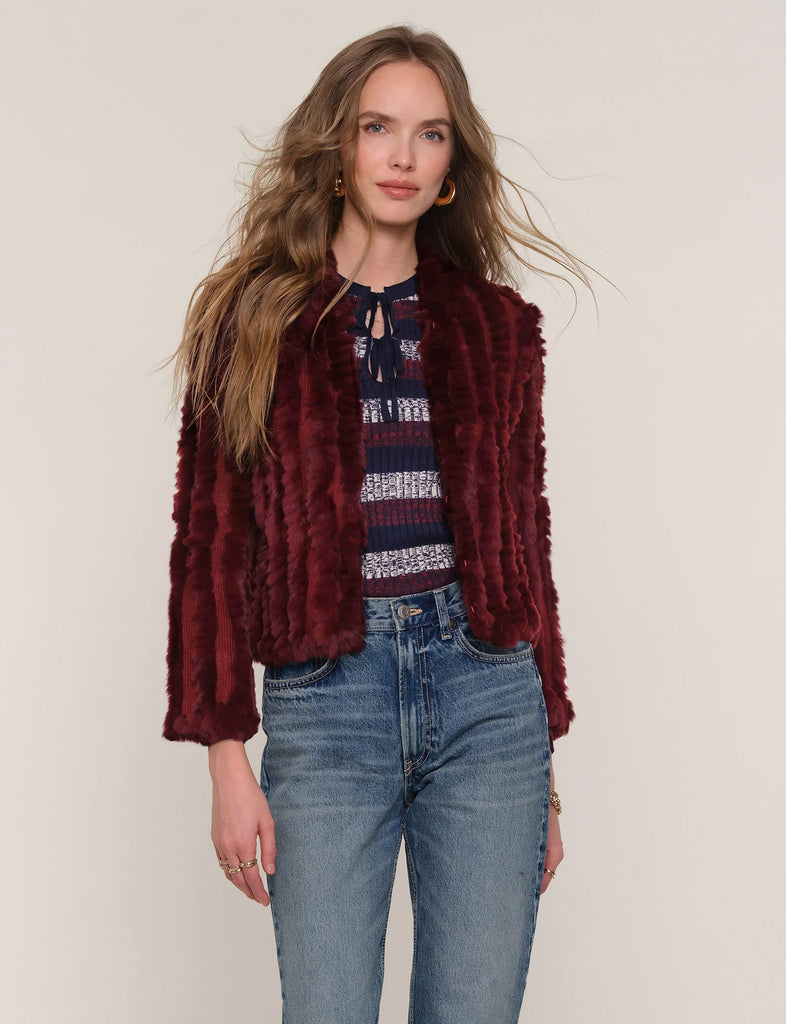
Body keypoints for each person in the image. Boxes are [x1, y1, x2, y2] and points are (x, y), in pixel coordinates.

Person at [163, 24, 589, 1024]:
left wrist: (544, 773)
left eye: (430, 133)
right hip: (327, 702)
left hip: (489, 701)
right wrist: (226, 754)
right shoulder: (253, 322)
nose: (403, 155)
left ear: (451, 166)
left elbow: (525, 537)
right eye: (377, 128)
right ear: (337, 147)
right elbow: (208, 545)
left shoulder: (497, 326)